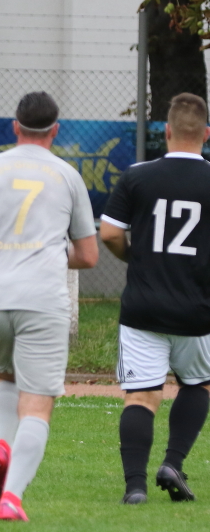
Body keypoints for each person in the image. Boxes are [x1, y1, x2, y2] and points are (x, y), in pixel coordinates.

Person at [0, 92, 98, 521]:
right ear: (55, 130)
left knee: (7, 376)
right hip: (42, 300)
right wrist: (50, 253)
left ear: (15, 126)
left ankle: (2, 444)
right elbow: (89, 255)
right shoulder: (68, 175)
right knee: (38, 402)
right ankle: (11, 498)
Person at [100, 92, 210, 505]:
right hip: (198, 309)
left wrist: (134, 256)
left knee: (141, 396)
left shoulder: (137, 176)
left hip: (143, 307)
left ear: (166, 131)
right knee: (198, 384)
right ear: (206, 134)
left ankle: (135, 488)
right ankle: (173, 463)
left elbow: (110, 233)